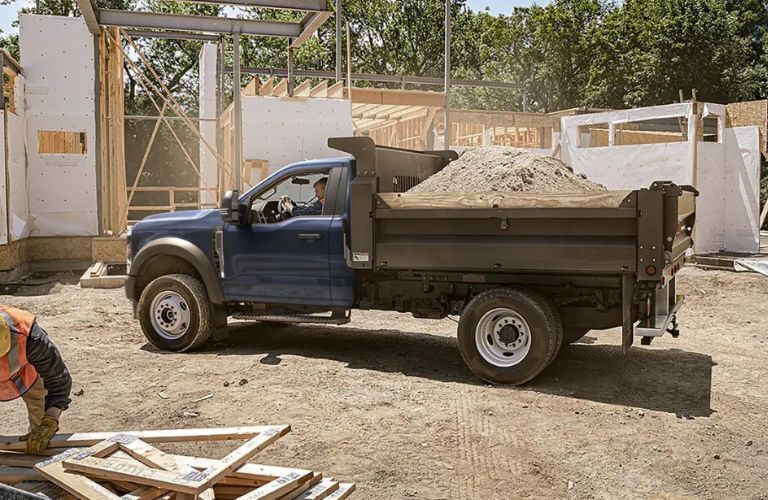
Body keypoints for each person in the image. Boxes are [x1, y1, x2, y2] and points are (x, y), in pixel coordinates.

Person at [0, 305, 72, 453]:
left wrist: (50, 421)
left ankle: (40, 453)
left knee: (40, 415)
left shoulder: (28, 334)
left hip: (25, 372)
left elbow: (58, 379)